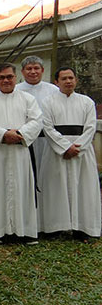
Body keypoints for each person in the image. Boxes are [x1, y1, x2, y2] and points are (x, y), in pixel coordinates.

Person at [0, 62, 42, 243]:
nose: (6, 80)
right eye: (1, 77)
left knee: (22, 189)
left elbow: (36, 121)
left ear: (16, 77)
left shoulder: (28, 99)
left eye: (9, 77)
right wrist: (4, 135)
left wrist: (19, 134)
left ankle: (24, 231)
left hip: (20, 152)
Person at [38, 67, 101, 239]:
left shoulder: (86, 102)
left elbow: (90, 127)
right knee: (55, 188)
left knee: (83, 188)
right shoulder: (48, 102)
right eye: (64, 78)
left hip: (82, 152)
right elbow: (47, 127)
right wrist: (65, 147)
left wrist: (77, 148)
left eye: (71, 78)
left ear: (76, 80)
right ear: (56, 82)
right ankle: (55, 227)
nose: (68, 81)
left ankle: (83, 227)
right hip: (57, 152)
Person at [16, 56, 59, 176]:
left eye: (36, 68)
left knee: (47, 173)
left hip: (47, 138)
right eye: (29, 68)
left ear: (42, 70)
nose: (33, 72)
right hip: (24, 138)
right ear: (22, 71)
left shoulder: (54, 90)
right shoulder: (16, 90)